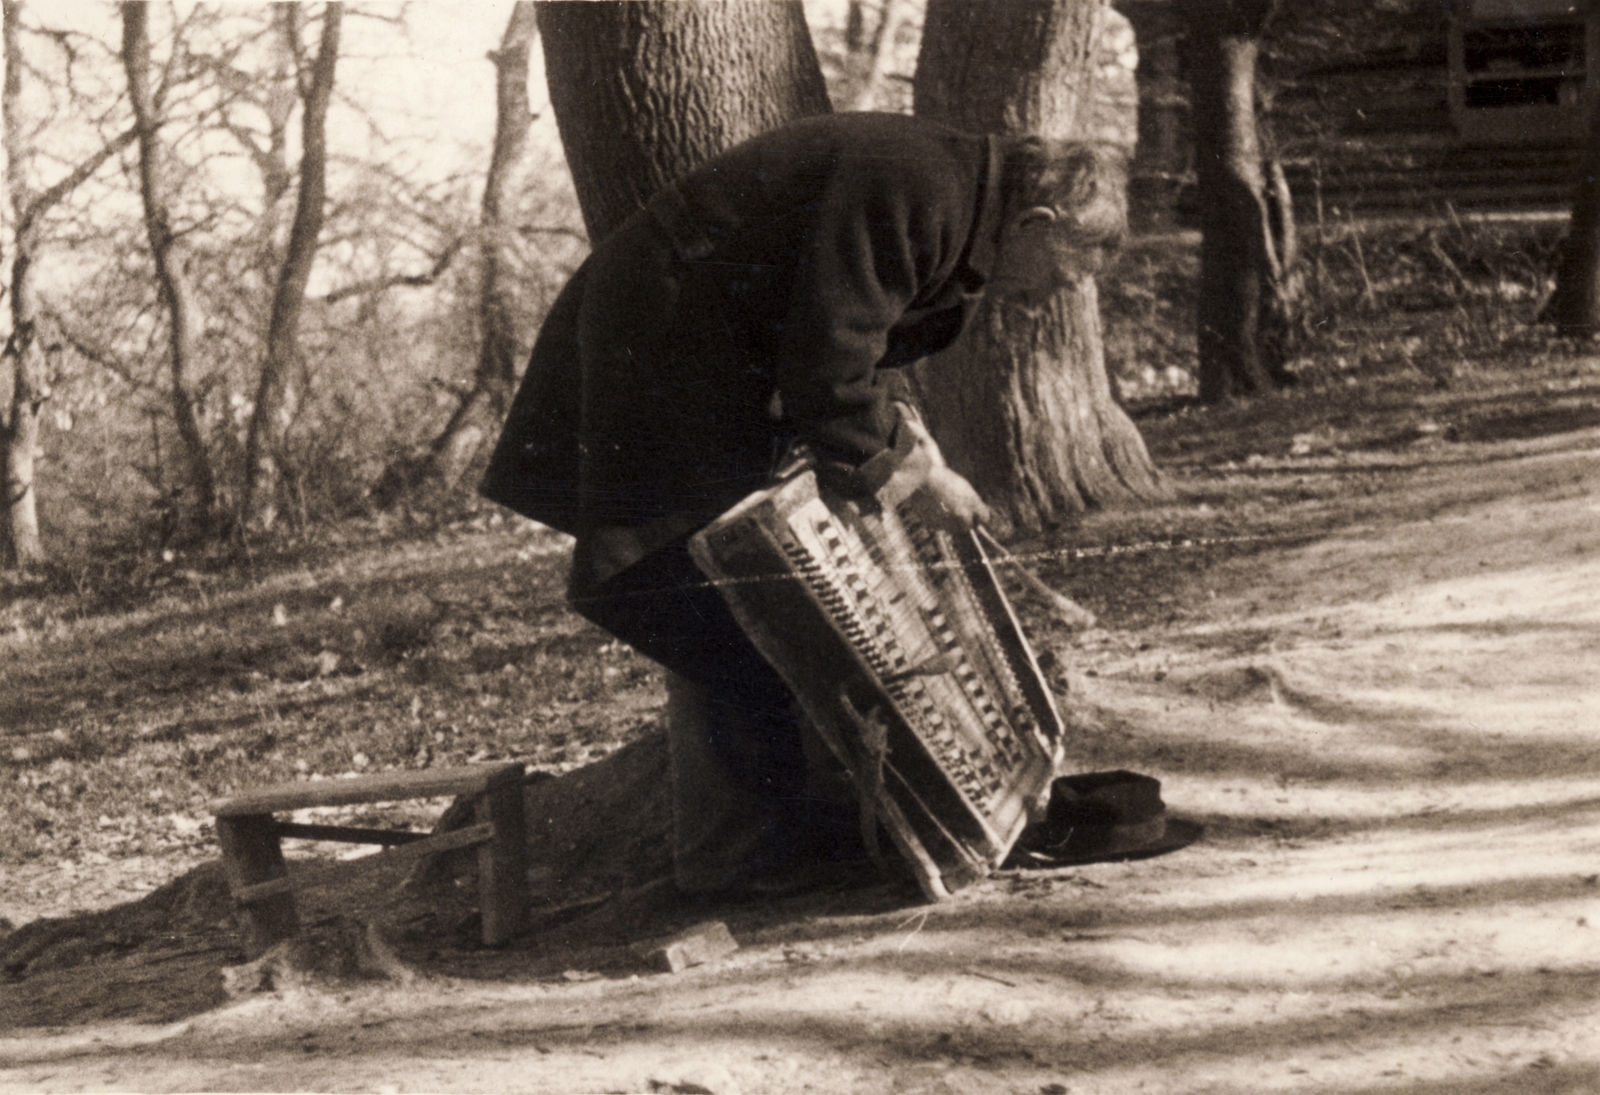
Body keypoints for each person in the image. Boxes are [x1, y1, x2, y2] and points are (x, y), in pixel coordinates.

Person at [481, 111, 1125, 899]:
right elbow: (829, 361)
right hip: (667, 346)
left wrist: (910, 449)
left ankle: (795, 822)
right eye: (1059, 276)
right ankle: (732, 857)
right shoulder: (921, 186)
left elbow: (865, 344)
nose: (1047, 296)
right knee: (717, 591)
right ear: (1037, 221)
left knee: (756, 595)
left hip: (713, 358)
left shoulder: (952, 196)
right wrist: (912, 477)